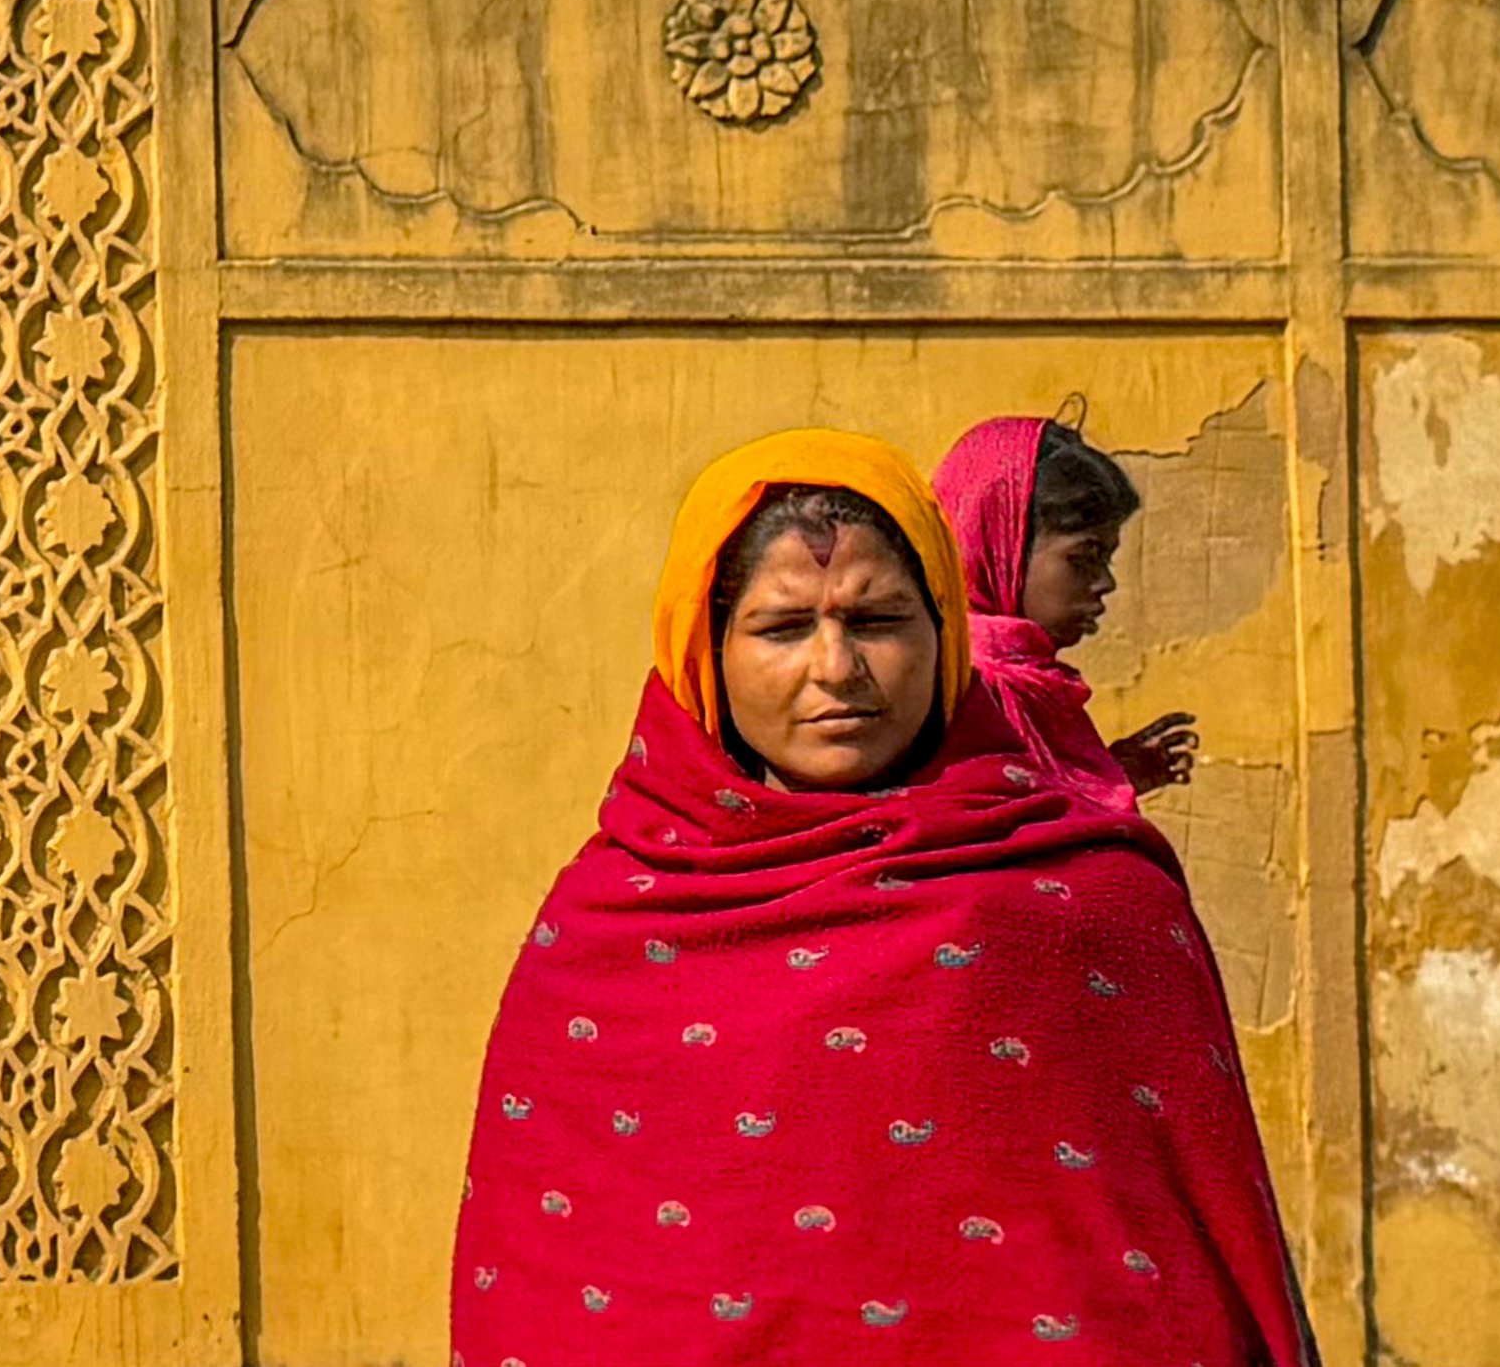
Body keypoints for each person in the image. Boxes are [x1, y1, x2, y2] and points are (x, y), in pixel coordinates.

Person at [449, 427, 1315, 1367]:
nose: (836, 669)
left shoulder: (1089, 901)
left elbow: (1192, 1259)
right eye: (784, 627)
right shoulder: (610, 928)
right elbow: (542, 1287)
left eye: (877, 621)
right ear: (704, 651)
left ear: (946, 634)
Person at [934, 416, 1198, 814]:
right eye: (1084, 558)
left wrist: (1108, 778)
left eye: (1106, 559)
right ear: (1004, 548)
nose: (1105, 582)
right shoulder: (954, 692)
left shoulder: (1033, 688)